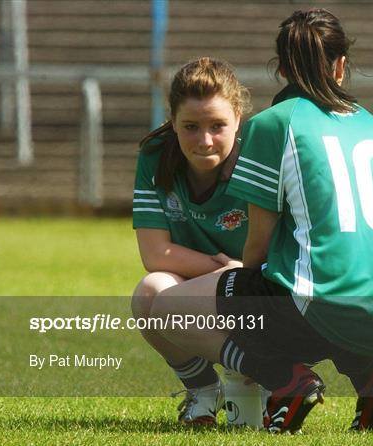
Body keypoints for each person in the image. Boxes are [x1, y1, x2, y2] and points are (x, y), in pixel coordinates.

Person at [149, 8, 373, 434]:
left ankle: (285, 381)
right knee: (327, 298)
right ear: (341, 66)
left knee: (166, 308)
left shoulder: (275, 123)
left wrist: (234, 298)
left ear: (280, 69)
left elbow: (256, 249)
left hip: (318, 307)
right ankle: (372, 378)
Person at [131, 57, 252, 425]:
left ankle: (262, 374)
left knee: (252, 421)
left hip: (261, 287)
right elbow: (155, 254)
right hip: (222, 276)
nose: (204, 140)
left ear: (238, 117)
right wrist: (227, 270)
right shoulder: (155, 157)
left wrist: (245, 276)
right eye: (190, 127)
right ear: (171, 120)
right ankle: (202, 388)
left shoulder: (258, 158)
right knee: (150, 291)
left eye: (218, 126)